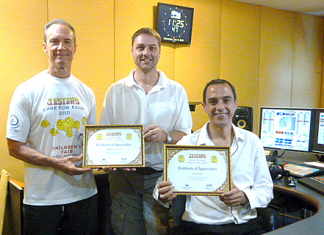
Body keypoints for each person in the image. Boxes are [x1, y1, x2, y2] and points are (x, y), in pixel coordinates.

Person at [6, 19, 98, 235]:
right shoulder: (26, 91)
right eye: (54, 41)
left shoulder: (87, 92)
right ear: (45, 47)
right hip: (42, 199)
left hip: (84, 195)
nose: (61, 48)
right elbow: (14, 147)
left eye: (67, 42)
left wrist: (112, 160)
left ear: (75, 48)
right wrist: (57, 163)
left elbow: (93, 141)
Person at [100, 27, 192, 235]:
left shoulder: (176, 90)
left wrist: (166, 136)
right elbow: (104, 137)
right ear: (132, 51)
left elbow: (187, 136)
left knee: (158, 230)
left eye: (152, 48)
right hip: (123, 180)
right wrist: (112, 160)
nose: (146, 53)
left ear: (160, 52)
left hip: (161, 178)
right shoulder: (116, 90)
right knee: (125, 230)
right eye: (140, 47)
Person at [156, 79, 274, 235]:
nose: (220, 107)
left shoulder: (252, 142)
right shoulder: (188, 144)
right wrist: (163, 193)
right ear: (204, 107)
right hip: (201, 227)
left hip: (245, 225)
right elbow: (162, 183)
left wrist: (245, 197)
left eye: (226, 100)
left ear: (235, 104)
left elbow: (266, 189)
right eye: (213, 102)